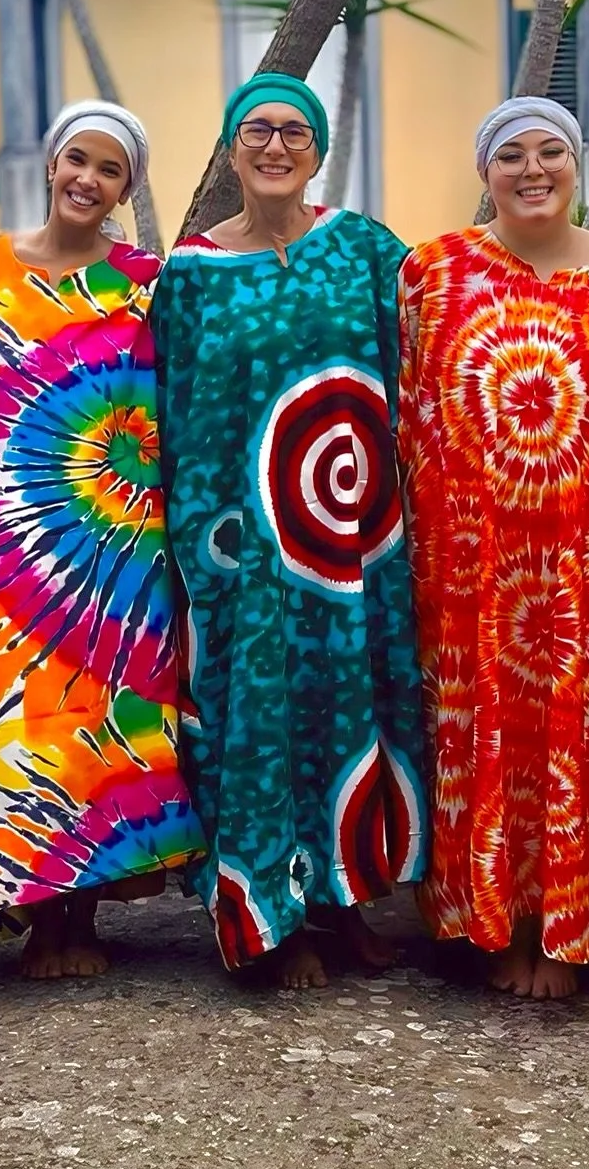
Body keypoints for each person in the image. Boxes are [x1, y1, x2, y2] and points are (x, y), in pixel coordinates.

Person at [153, 73, 426, 989]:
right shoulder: (189, 273)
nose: (276, 146)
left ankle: (347, 902)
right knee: (260, 722)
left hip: (351, 540)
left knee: (354, 713)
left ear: (317, 151)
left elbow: (421, 365)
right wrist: (196, 546)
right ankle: (276, 918)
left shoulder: (363, 248)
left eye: (295, 133)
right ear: (231, 150)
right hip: (245, 548)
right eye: (258, 132)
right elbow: (177, 406)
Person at [399, 97, 589, 1000]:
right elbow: (408, 411)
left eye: (552, 149)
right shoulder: (432, 271)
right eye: (510, 154)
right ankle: (489, 926)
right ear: (486, 173)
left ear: (577, 165)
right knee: (482, 738)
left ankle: (568, 931)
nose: (533, 167)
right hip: (472, 561)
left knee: (577, 737)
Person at [0, 102, 204, 977]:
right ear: (53, 163)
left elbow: (181, 398)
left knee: (104, 728)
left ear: (127, 190)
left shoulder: (145, 278)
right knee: (18, 727)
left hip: (121, 540)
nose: (88, 181)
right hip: (13, 539)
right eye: (77, 162)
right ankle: (29, 900)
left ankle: (79, 921)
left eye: (110, 171)